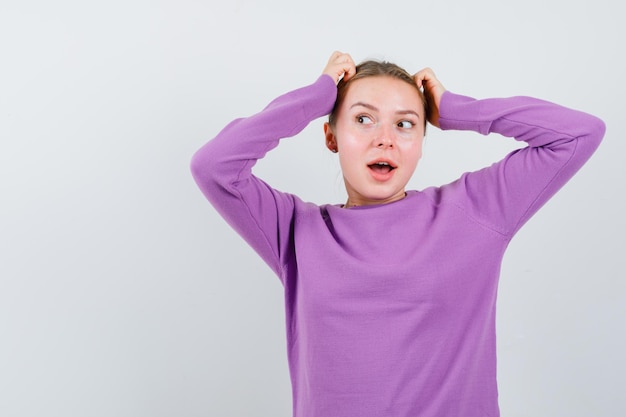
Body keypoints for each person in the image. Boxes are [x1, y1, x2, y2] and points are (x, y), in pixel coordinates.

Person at [190, 51, 605, 417]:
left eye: (405, 124)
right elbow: (214, 166)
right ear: (331, 135)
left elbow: (578, 134)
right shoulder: (295, 230)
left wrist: (459, 110)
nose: (384, 139)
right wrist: (313, 98)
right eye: (363, 119)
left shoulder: (474, 210)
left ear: (422, 141)